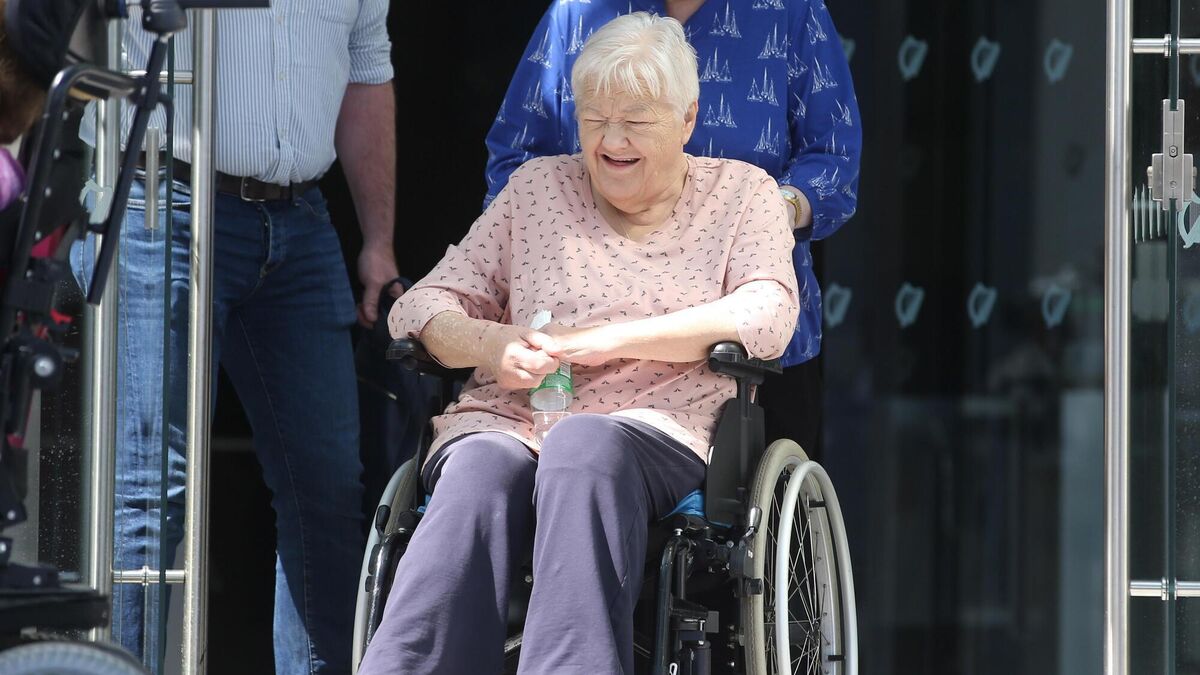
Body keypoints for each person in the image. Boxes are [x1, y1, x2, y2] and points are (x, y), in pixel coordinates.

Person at [359, 13, 798, 674]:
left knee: (582, 446)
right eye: (595, 119)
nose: (612, 141)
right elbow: (420, 306)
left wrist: (608, 339)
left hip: (655, 424)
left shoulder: (741, 195)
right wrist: (492, 343)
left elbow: (767, 314)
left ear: (687, 118)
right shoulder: (537, 189)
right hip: (511, 419)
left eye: (636, 121)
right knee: (477, 470)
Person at [68, 3, 397, 673]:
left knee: (329, 491)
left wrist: (379, 241)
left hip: (301, 217)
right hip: (163, 198)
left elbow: (367, 72)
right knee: (151, 489)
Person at [485, 0, 860, 457]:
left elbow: (833, 159)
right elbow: (515, 156)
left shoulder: (790, 11)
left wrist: (764, 215)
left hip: (745, 338)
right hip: (579, 335)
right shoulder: (576, 12)